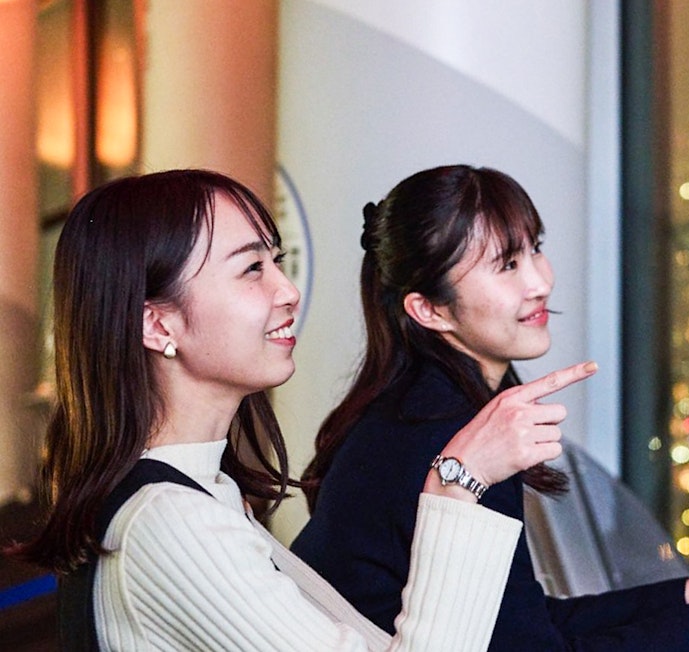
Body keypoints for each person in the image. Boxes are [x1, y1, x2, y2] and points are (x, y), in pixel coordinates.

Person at [8, 169, 596, 651]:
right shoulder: (172, 523)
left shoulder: (202, 497)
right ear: (159, 322)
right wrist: (457, 481)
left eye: (277, 261)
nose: (286, 291)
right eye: (250, 270)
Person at [293, 164, 689, 652]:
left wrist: (687, 596)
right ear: (430, 309)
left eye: (535, 249)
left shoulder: (424, 406)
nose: (541, 281)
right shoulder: (457, 440)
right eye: (507, 265)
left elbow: (519, 625)